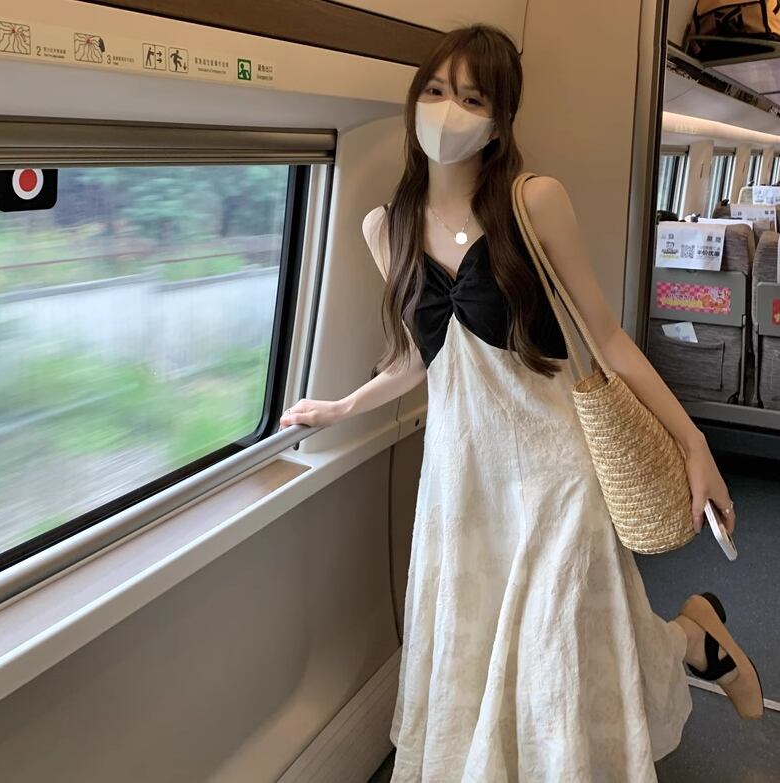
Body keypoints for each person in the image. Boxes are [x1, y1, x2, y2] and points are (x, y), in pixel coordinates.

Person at [279, 23, 764, 782]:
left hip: (554, 467)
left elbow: (607, 336)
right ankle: (695, 639)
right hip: (460, 477)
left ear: (500, 118)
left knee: (562, 640)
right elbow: (422, 356)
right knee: (498, 643)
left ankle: (676, 654)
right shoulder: (386, 225)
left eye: (472, 98)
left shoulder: (533, 202)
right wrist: (340, 407)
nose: (447, 110)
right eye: (435, 90)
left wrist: (693, 445)